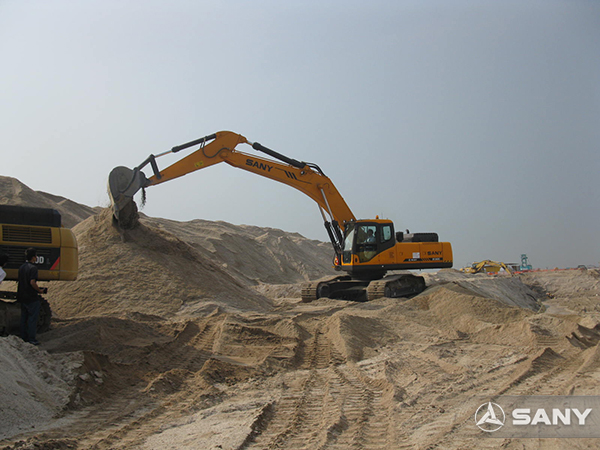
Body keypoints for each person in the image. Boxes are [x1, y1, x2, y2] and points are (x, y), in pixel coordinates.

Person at [17, 248, 47, 346]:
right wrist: (39, 290)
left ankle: (23, 337)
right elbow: (32, 282)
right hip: (31, 296)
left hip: (22, 295)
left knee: (23, 318)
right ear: (34, 257)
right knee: (32, 318)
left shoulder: (21, 267)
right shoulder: (33, 268)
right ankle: (32, 339)